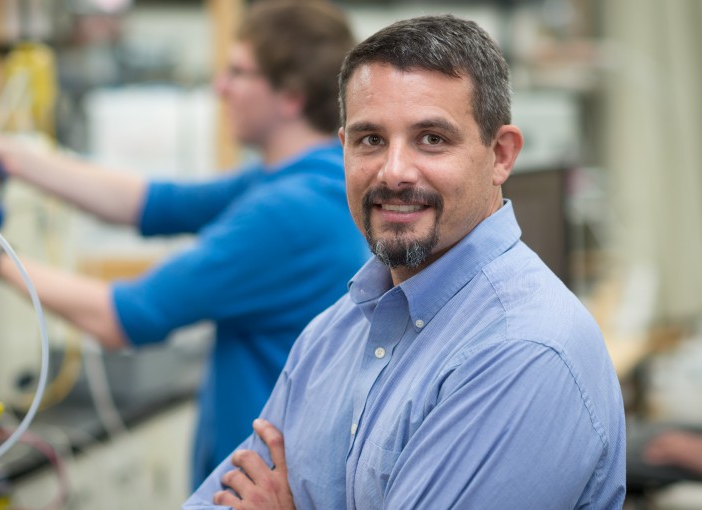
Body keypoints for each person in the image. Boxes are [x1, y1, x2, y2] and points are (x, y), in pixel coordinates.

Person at [184, 14, 626, 509]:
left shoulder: (523, 350)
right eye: (370, 139)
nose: (393, 172)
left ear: (501, 155)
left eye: (432, 139)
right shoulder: (335, 333)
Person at [0, 0, 366, 487]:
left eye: (238, 73)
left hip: (263, 487)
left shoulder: (288, 210)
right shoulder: (314, 177)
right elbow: (152, 204)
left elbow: (124, 317)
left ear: (291, 96)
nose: (220, 87)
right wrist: (14, 158)